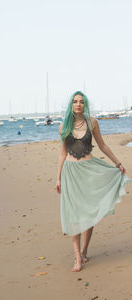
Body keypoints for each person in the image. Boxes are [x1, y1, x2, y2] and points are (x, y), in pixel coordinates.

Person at [55, 91, 130, 272]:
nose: (78, 104)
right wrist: (58, 177)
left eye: (81, 102)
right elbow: (63, 153)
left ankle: (84, 251)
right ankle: (77, 258)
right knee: (74, 215)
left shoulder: (92, 122)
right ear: (71, 105)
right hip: (71, 173)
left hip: (89, 170)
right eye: (75, 102)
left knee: (88, 214)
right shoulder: (63, 126)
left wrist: (117, 163)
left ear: (85, 104)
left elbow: (102, 145)